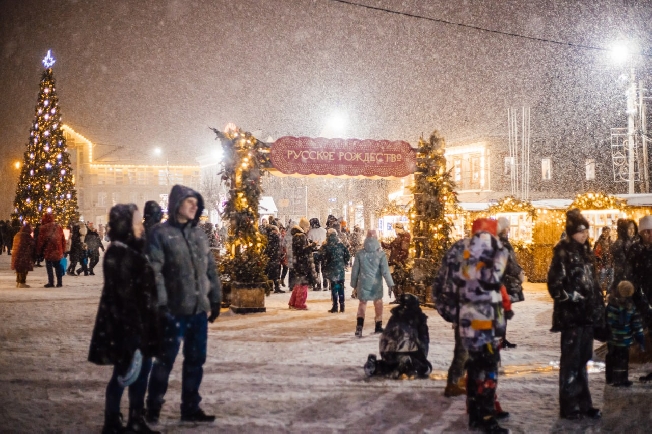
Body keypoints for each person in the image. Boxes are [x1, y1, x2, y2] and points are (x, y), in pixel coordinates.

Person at [145, 185, 222, 424]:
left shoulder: (198, 234)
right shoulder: (160, 234)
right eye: (189, 202)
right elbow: (154, 271)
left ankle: (190, 406)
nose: (194, 206)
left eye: (196, 203)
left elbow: (210, 268)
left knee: (195, 360)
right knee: (165, 360)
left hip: (197, 310)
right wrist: (161, 304)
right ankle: (153, 405)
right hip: (173, 310)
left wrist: (216, 297)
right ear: (177, 204)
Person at [88, 204, 161, 434]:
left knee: (141, 375)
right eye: (136, 220)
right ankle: (111, 421)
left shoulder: (137, 248)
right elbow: (123, 296)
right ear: (125, 224)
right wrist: (133, 330)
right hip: (127, 327)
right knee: (123, 374)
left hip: (143, 324)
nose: (141, 224)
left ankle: (136, 419)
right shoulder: (118, 252)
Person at [433, 218, 510, 433]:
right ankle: (484, 415)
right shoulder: (486, 252)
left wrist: (456, 313)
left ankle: (478, 413)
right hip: (482, 321)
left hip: (470, 319)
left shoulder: (463, 250)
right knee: (485, 368)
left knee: (475, 366)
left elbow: (444, 285)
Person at [547, 208, 604, 420]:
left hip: (587, 316)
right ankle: (569, 406)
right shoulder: (563, 252)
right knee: (571, 362)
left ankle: (583, 402)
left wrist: (597, 307)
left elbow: (593, 284)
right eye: (580, 231)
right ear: (571, 232)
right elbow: (554, 285)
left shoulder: (586, 251)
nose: (585, 235)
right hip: (572, 318)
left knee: (582, 361)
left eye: (586, 231)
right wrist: (572, 297)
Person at [363, 293, 432, 379]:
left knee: (390, 365)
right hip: (406, 351)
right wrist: (422, 357)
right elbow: (424, 339)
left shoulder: (395, 315)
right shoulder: (418, 316)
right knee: (425, 368)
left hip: (387, 351)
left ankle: (376, 365)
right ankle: (406, 364)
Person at [350, 230, 394, 337]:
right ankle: (378, 325)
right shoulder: (381, 254)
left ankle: (359, 326)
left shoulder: (360, 254)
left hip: (363, 282)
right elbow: (385, 271)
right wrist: (390, 283)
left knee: (362, 303)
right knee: (378, 303)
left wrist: (354, 284)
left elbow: (355, 270)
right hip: (376, 283)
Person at [605, 280, 645, 387]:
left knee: (612, 357)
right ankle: (622, 379)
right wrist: (640, 339)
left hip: (612, 338)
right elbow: (636, 324)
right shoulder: (631, 307)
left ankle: (610, 378)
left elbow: (606, 319)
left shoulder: (611, 304)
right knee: (623, 360)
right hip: (625, 339)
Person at [496, 217, 524, 349]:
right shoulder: (503, 244)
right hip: (503, 282)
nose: (509, 229)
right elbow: (510, 262)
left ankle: (501, 338)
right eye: (507, 227)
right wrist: (518, 272)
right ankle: (500, 339)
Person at [288, 221, 318, 310]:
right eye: (307, 227)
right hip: (303, 264)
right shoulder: (301, 236)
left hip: (298, 263)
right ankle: (300, 303)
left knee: (298, 284)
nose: (308, 229)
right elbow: (303, 251)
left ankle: (293, 302)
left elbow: (299, 251)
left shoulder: (296, 236)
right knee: (303, 285)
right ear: (304, 227)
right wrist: (312, 245)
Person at [319, 228, 350, 313]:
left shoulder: (326, 245)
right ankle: (342, 306)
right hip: (340, 269)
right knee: (340, 287)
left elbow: (320, 256)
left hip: (331, 269)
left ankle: (335, 306)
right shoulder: (341, 245)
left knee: (334, 288)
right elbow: (347, 255)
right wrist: (344, 262)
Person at [381, 222, 411, 303]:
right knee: (394, 280)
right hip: (394, 261)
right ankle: (398, 297)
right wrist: (382, 243)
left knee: (397, 280)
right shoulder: (399, 237)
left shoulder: (404, 237)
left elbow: (404, 250)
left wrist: (398, 260)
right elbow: (391, 246)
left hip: (398, 263)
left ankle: (400, 298)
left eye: (396, 229)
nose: (395, 231)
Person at [36, 213, 66, 288]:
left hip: (48, 250)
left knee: (49, 267)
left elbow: (41, 241)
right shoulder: (58, 226)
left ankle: (51, 282)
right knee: (58, 266)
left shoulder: (43, 228)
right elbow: (63, 239)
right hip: (58, 249)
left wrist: (39, 250)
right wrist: (63, 249)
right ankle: (59, 282)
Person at [610, 218, 637, 296]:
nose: (632, 231)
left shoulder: (632, 242)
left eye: (633, 228)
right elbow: (624, 264)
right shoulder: (620, 244)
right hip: (624, 279)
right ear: (624, 230)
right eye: (629, 228)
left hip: (630, 278)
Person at [11, 223, 35, 288]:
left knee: (18, 269)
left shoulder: (17, 234)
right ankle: (22, 282)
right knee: (23, 269)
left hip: (16, 254)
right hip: (23, 254)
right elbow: (32, 244)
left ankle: (18, 282)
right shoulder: (26, 236)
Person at [307, 218, 328, 291]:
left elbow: (309, 241)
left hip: (315, 252)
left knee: (316, 269)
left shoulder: (311, 232)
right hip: (323, 251)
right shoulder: (324, 231)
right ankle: (325, 284)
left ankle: (318, 284)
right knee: (324, 269)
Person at [593, 226, 614, 293]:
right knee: (601, 280)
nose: (607, 233)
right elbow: (596, 254)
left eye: (608, 231)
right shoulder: (599, 242)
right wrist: (599, 261)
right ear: (602, 232)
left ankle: (608, 294)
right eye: (606, 231)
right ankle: (599, 293)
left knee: (610, 281)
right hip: (602, 264)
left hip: (611, 264)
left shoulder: (611, 242)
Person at [264, 224, 284, 293]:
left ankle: (270, 287)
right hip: (275, 256)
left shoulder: (266, 236)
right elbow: (278, 247)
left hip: (268, 256)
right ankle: (276, 287)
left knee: (269, 272)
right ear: (273, 230)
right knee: (276, 272)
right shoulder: (275, 236)